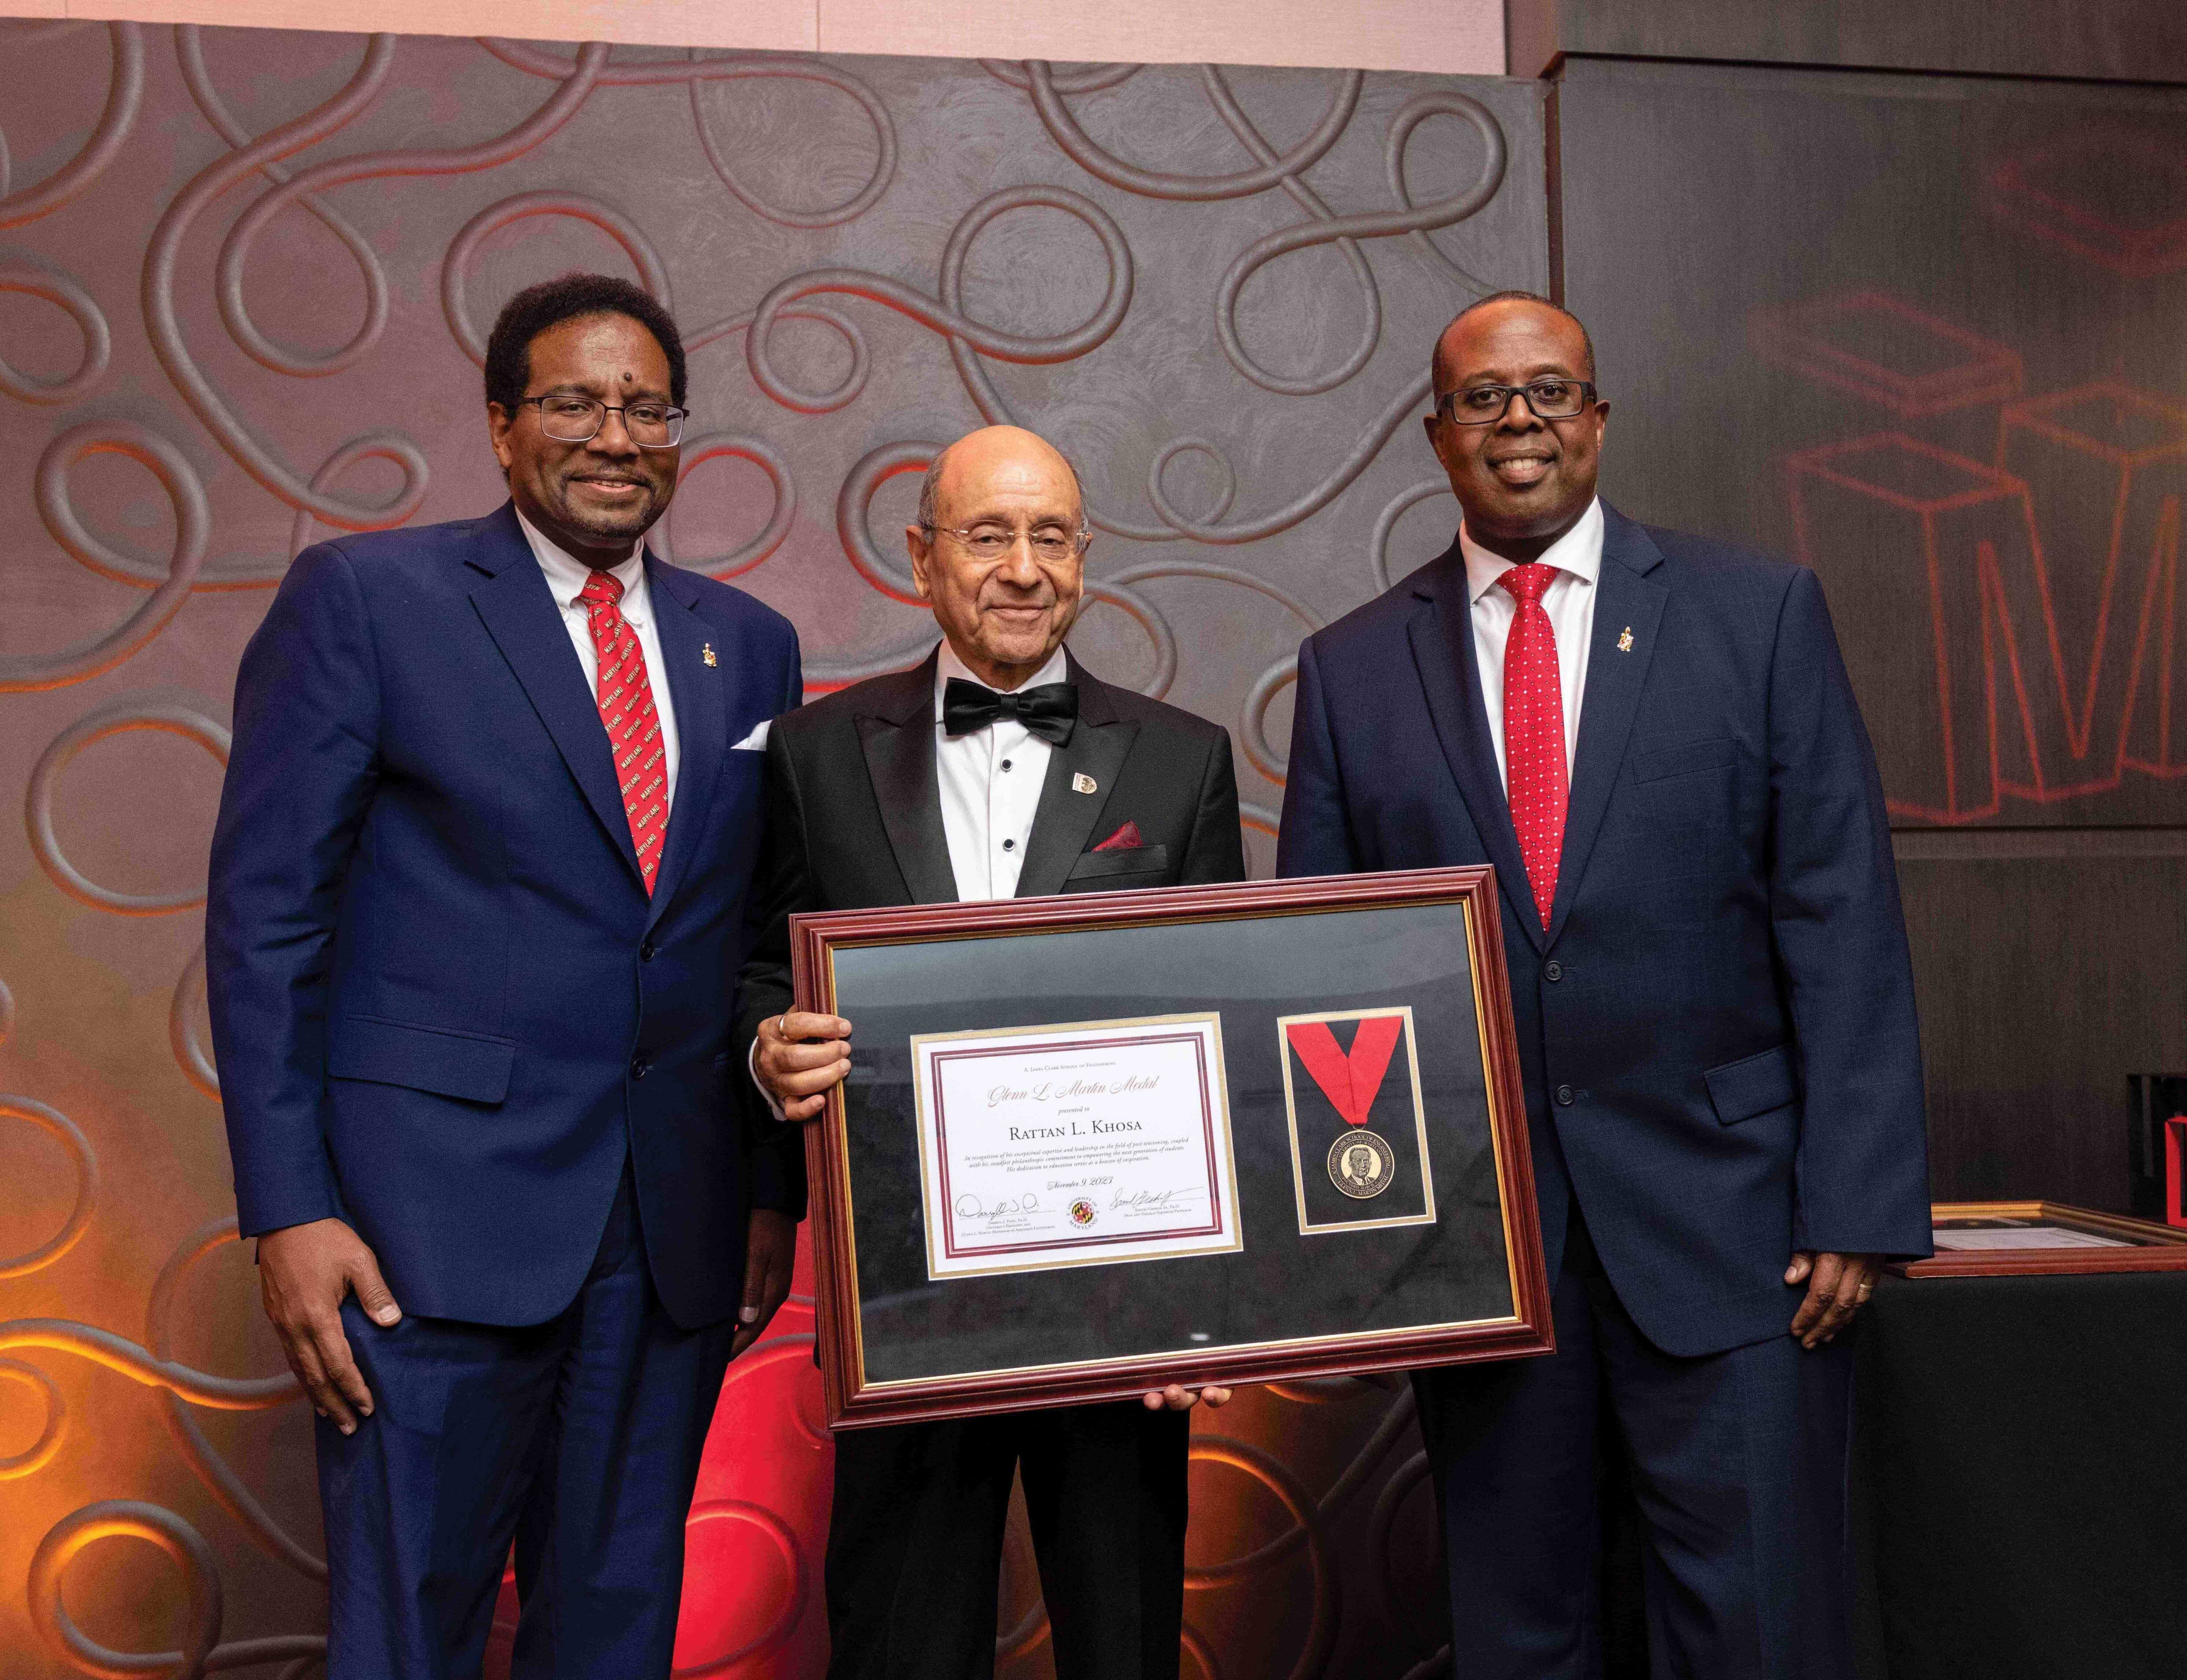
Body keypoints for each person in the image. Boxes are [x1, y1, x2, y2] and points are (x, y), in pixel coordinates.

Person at [1276, 291, 1932, 1676]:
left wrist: (1857, 1201)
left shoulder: (1756, 614)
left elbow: (1844, 915)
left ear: (1600, 416)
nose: (1520, 421)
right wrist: (1350, 1251)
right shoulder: (1349, 669)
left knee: (1757, 1625)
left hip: (1741, 1235)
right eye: (1484, 398)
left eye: (1551, 391)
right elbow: (1321, 986)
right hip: (1482, 1254)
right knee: (1523, 1635)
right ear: (1436, 433)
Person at [205, 273, 803, 1679]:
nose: (614, 432)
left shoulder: (750, 643)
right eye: (574, 401)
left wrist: (768, 1189)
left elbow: (759, 939)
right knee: (410, 1629)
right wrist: (289, 1208)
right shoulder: (368, 600)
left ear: (679, 431)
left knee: (614, 1632)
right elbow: (266, 920)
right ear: (499, 423)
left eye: (645, 405)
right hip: (425, 1235)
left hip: (669, 1242)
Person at [735, 424, 1243, 1680]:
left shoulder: (1183, 760)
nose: (1023, 567)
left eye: (1051, 536)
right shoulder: (812, 755)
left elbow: (1228, 1027)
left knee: (1125, 1643)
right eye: (988, 534)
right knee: (903, 1643)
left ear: (1085, 560)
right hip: (899, 1298)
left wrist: (1217, 1305)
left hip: (1122, 1302)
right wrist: (764, 1047)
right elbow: (758, 965)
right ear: (922, 559)